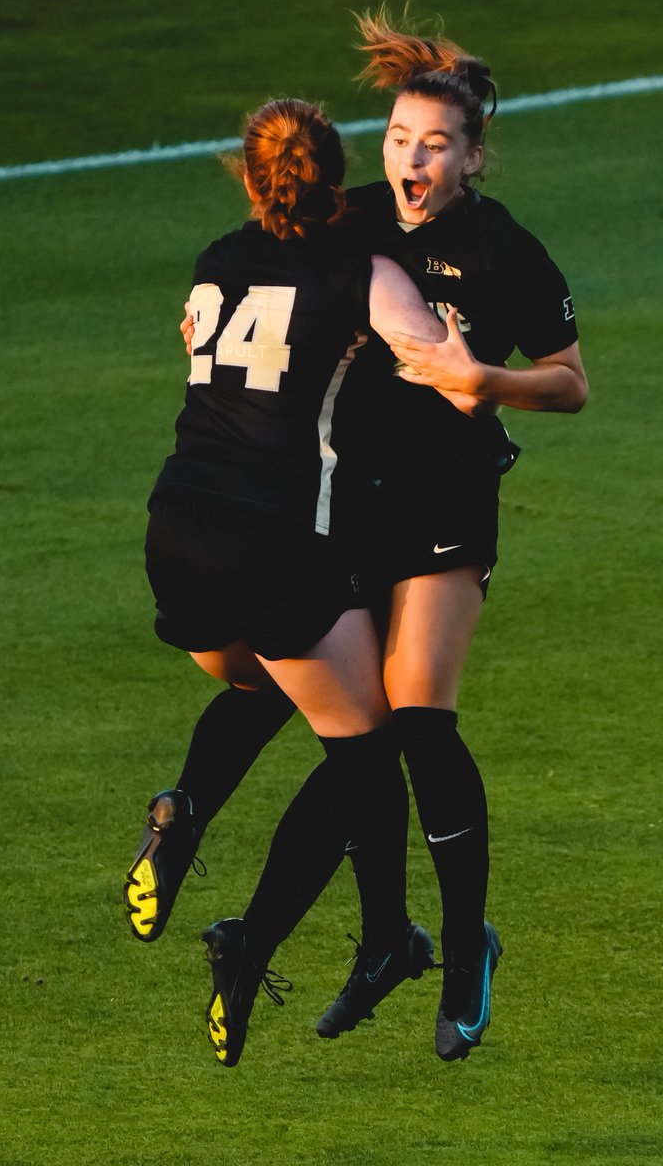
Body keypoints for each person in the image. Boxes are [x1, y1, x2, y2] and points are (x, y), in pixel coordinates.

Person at [130, 7, 589, 1064]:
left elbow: (571, 382)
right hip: (349, 504)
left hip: (446, 506)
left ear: (474, 156)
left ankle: (462, 947)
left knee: (416, 725)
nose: (411, 161)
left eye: (434, 145)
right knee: (324, 721)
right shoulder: (353, 224)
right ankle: (275, 933)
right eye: (395, 139)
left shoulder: (505, 249)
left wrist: (490, 382)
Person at [126, 97, 449, 1068]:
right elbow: (437, 358)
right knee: (368, 748)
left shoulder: (217, 259)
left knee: (265, 679)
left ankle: (183, 810)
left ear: (251, 176)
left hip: (176, 527)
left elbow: (194, 342)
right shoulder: (361, 270)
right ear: (338, 170)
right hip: (269, 541)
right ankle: (309, 942)